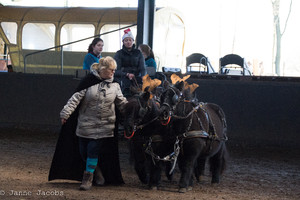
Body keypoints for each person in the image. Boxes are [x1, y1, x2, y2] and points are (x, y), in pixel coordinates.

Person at [49, 56, 127, 191]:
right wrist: (65, 113)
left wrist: (133, 108)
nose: (114, 72)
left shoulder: (115, 85)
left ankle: (87, 178)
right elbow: (75, 99)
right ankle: (96, 171)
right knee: (83, 152)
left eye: (114, 70)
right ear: (103, 69)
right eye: (111, 70)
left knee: (92, 150)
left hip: (105, 125)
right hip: (85, 124)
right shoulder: (88, 82)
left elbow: (122, 103)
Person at [114, 28, 146, 97]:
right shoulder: (119, 54)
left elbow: (142, 68)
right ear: (123, 42)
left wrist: (143, 76)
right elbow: (116, 70)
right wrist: (127, 74)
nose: (128, 42)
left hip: (137, 78)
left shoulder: (138, 53)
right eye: (126, 40)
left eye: (130, 40)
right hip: (123, 78)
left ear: (133, 41)